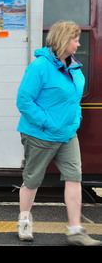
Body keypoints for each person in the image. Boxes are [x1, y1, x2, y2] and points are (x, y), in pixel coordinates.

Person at [16, 20, 101, 246]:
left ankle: (75, 230)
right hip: (40, 134)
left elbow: (73, 99)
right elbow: (24, 101)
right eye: (75, 40)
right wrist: (48, 122)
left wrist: (75, 119)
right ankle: (24, 222)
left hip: (67, 134)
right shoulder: (40, 67)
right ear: (64, 41)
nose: (78, 44)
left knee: (74, 178)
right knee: (32, 180)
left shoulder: (73, 66)